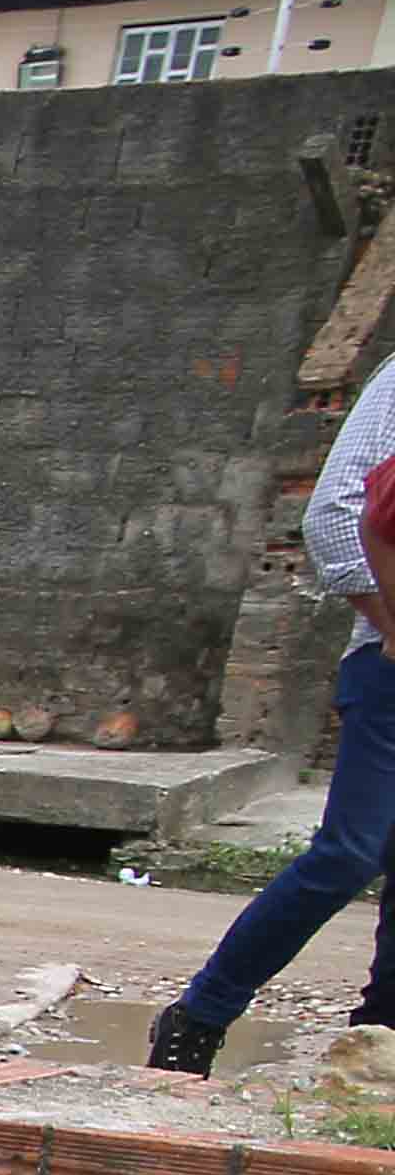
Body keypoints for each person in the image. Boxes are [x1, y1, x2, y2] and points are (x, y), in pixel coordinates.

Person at [148, 356, 395, 1075]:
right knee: (349, 853)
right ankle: (202, 1013)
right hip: (385, 667)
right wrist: (390, 622)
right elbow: (341, 513)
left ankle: (379, 1036)